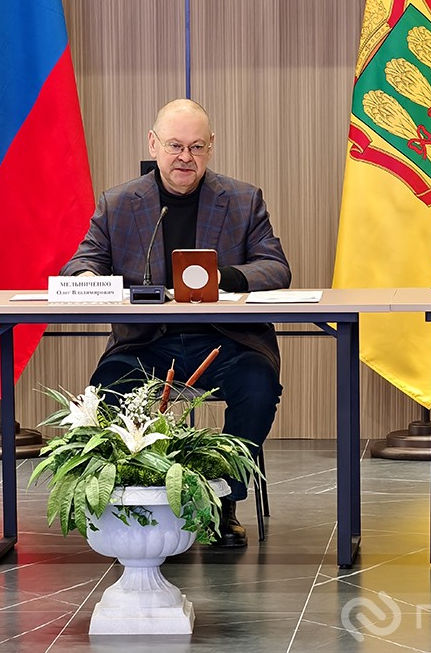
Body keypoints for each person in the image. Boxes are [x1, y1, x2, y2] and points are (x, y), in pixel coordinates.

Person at [62, 99, 291, 547]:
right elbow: (82, 261)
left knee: (258, 386)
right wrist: (88, 276)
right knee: (106, 389)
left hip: (225, 341)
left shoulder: (243, 200)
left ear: (211, 148)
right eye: (174, 146)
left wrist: (223, 278)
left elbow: (276, 267)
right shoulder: (119, 203)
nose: (185, 157)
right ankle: (137, 501)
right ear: (153, 144)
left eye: (196, 147)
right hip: (146, 343)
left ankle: (222, 501)